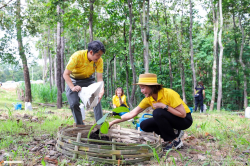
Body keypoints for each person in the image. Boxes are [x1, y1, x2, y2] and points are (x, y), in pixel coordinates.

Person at [109, 73, 193, 151]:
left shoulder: (168, 93)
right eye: (140, 88)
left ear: (152, 87)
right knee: (144, 125)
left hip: (184, 120)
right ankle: (174, 133)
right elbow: (131, 114)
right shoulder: (149, 99)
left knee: (157, 112)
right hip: (172, 119)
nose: (141, 91)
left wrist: (164, 106)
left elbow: (183, 114)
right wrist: (112, 122)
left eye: (143, 88)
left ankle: (175, 141)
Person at [63, 41, 105, 125]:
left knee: (96, 98)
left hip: (88, 80)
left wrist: (101, 90)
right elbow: (65, 74)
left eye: (100, 55)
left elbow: (99, 78)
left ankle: (100, 125)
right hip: (73, 80)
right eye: (98, 55)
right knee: (74, 103)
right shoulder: (77, 56)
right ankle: (80, 125)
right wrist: (72, 87)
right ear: (91, 52)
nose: (99, 57)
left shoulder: (99, 60)